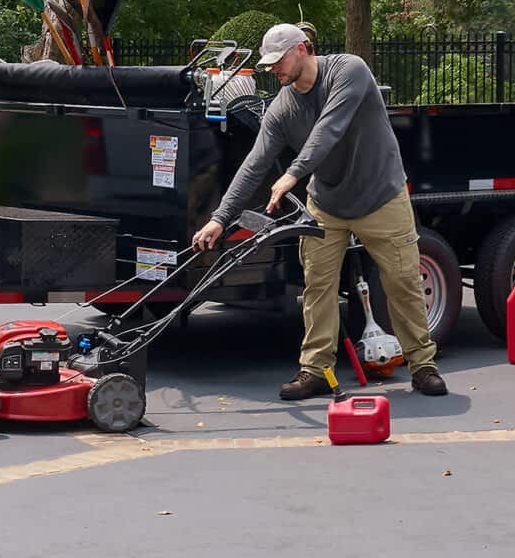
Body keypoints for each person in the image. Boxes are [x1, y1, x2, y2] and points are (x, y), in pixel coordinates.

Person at [191, 23, 447, 400]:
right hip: (327, 204)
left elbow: (330, 128)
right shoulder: (282, 106)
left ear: (302, 49)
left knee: (404, 282)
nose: (273, 69)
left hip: (381, 196)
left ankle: (423, 366)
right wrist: (219, 217)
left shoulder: (350, 70)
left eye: (279, 60)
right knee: (318, 287)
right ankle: (315, 370)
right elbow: (255, 163)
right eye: (268, 63)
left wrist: (293, 174)